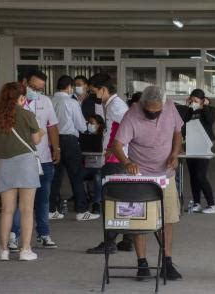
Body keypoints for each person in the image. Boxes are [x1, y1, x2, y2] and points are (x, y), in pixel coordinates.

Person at [111, 85, 183, 280]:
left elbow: (177, 133)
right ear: (142, 104)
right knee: (139, 221)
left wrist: (175, 154)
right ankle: (142, 263)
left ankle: (167, 263)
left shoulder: (170, 107)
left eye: (157, 111)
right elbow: (117, 145)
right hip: (141, 176)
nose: (153, 114)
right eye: (149, 111)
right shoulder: (131, 115)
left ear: (163, 104)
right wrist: (127, 163)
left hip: (165, 175)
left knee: (167, 220)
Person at [0, 82, 44, 261]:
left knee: (6, 210)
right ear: (21, 98)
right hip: (26, 164)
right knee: (27, 209)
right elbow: (35, 140)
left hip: (4, 165)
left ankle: (3, 250)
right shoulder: (27, 114)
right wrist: (41, 132)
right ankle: (25, 250)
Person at [10, 70, 61, 250]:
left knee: (43, 199)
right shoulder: (11, 103)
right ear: (24, 82)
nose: (36, 91)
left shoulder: (45, 101)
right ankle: (14, 235)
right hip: (21, 158)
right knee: (20, 200)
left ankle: (43, 234)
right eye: (32, 87)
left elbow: (52, 126)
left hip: (44, 159)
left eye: (39, 89)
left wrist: (56, 148)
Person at [85, 73, 133, 254]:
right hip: (118, 158)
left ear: (103, 90)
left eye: (94, 91)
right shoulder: (114, 104)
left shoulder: (114, 105)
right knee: (123, 200)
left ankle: (110, 242)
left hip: (115, 161)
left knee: (111, 201)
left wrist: (114, 147)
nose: (93, 94)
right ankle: (127, 239)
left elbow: (127, 126)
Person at [50, 75, 99, 221]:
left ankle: (51, 209)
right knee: (76, 176)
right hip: (69, 141)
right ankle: (82, 210)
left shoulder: (50, 101)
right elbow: (81, 125)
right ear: (69, 87)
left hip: (53, 141)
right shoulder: (71, 102)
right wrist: (91, 128)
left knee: (55, 177)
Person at [185, 89, 215, 214]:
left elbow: (210, 120)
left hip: (203, 145)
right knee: (193, 176)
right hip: (191, 145)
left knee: (200, 175)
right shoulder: (190, 111)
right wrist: (189, 107)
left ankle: (211, 204)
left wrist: (205, 107)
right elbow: (184, 121)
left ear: (203, 101)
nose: (193, 103)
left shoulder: (210, 110)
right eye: (191, 100)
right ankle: (197, 202)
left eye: (196, 101)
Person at [82, 114, 105, 214]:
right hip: (87, 166)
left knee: (97, 177)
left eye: (92, 123)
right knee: (77, 176)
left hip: (100, 167)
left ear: (99, 125)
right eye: (88, 123)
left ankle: (97, 203)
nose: (89, 125)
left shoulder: (103, 138)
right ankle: (83, 200)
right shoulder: (84, 136)